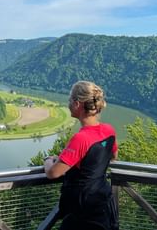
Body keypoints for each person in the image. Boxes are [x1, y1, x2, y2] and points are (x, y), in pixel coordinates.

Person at [44, 81, 118, 230]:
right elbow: (113, 156)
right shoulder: (109, 130)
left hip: (82, 207)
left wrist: (48, 160)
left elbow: (53, 173)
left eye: (70, 100)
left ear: (77, 104)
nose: (69, 104)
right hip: (102, 202)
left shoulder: (81, 138)